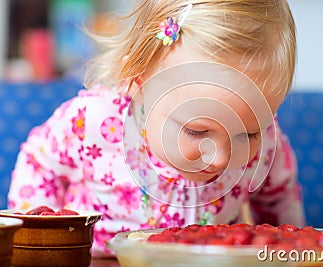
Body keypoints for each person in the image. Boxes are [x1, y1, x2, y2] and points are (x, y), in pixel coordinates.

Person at [8, 0, 305, 257]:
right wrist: (39, 243)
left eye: (246, 134)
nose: (221, 158)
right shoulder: (95, 120)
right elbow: (39, 161)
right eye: (197, 131)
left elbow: (279, 201)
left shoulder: (266, 137)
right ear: (139, 84)